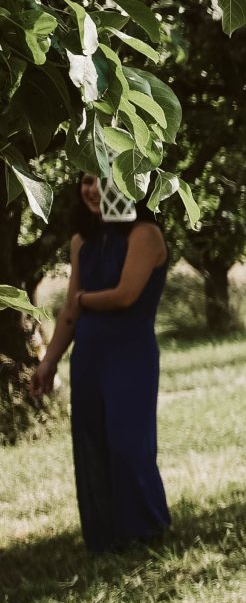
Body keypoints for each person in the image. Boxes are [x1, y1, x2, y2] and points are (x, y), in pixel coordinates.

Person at [27, 173, 172, 552]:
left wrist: (82, 300)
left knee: (129, 442)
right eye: (86, 181)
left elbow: (125, 296)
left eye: (103, 180)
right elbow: (69, 314)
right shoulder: (82, 241)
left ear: (128, 183)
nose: (92, 190)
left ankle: (147, 530)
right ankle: (105, 537)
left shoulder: (145, 234)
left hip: (130, 354)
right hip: (88, 355)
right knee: (93, 443)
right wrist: (49, 362)